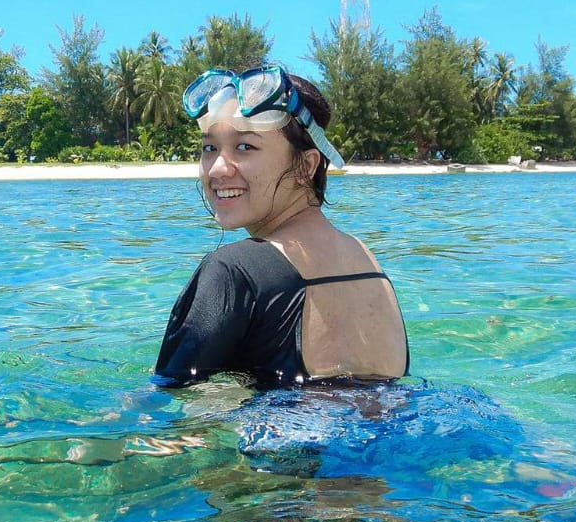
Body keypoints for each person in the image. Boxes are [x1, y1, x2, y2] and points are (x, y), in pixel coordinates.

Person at [154, 64, 409, 388]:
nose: (217, 168)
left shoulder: (233, 272)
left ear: (306, 165)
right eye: (209, 148)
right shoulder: (369, 263)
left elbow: (168, 416)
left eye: (245, 146)